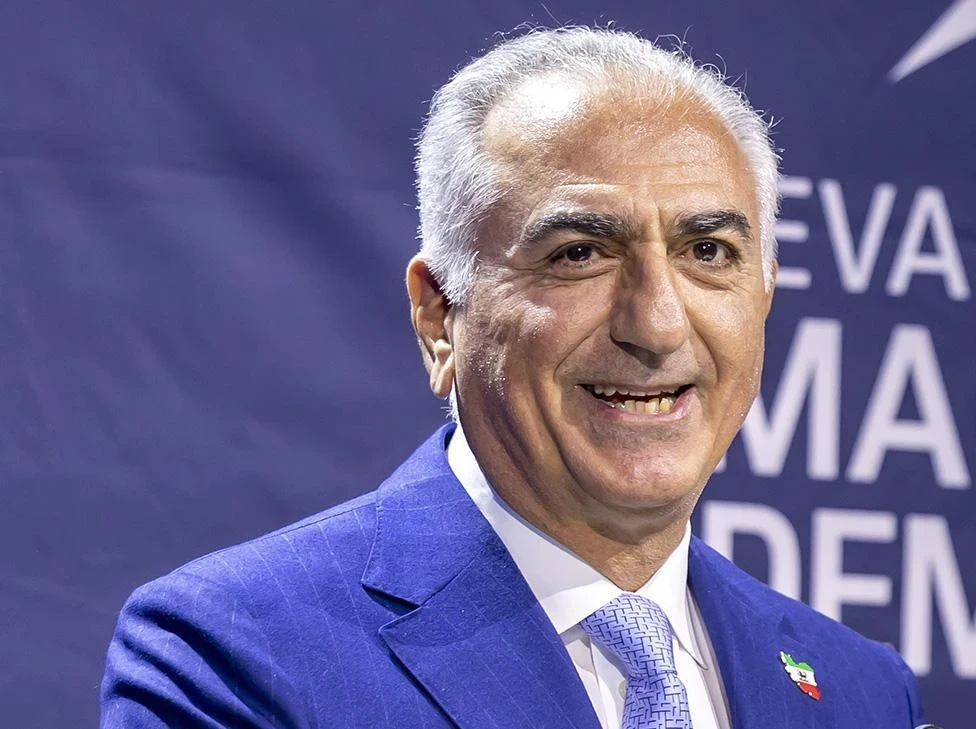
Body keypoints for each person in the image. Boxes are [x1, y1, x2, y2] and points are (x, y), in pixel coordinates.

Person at [101, 26, 925, 729]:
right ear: (439, 317)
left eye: (707, 251)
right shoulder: (238, 653)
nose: (658, 323)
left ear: (765, 295)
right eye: (580, 253)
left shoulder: (861, 690)